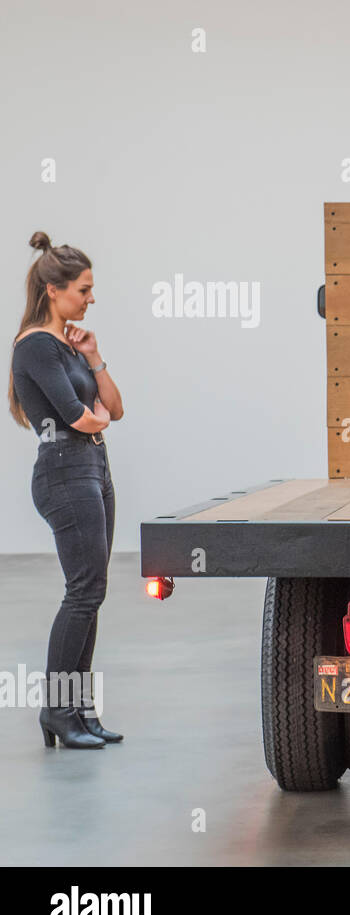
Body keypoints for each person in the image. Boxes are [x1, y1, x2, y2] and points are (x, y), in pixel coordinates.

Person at [8, 231, 125, 749]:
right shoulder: (34, 346)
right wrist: (93, 417)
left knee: (91, 593)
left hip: (93, 469)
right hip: (63, 472)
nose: (91, 298)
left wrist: (95, 356)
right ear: (53, 290)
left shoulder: (69, 346)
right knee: (82, 591)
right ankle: (58, 710)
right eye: (84, 289)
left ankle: (80, 710)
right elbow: (77, 415)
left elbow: (114, 409)